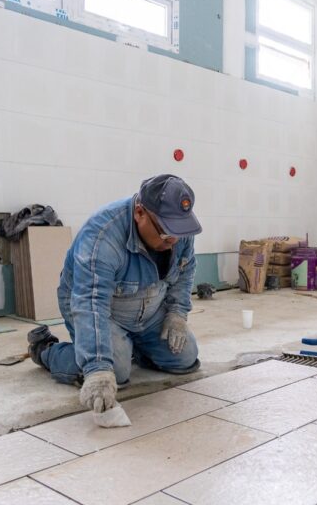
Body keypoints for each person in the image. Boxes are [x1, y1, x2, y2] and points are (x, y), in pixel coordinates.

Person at [27, 174, 202, 413]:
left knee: (185, 357)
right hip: (102, 308)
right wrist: (97, 368)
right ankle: (47, 350)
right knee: (113, 374)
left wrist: (177, 314)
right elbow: (90, 302)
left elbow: (186, 269)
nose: (172, 239)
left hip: (148, 309)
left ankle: (129, 347)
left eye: (178, 231)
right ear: (140, 213)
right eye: (164, 232)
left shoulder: (178, 228)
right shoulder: (102, 236)